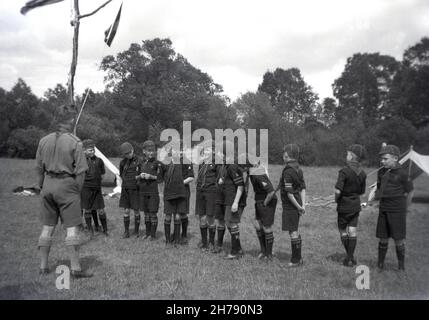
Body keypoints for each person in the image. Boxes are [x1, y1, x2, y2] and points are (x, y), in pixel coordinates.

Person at [35, 104, 92, 278]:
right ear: (72, 119)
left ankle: (43, 267)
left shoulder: (43, 140)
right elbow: (81, 171)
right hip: (67, 185)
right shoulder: (75, 142)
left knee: (47, 227)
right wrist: (76, 190)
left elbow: (38, 168)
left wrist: (41, 186)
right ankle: (75, 269)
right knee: (72, 228)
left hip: (47, 184)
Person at [375, 144, 413, 271]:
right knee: (383, 237)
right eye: (382, 159)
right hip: (384, 208)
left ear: (395, 158)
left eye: (385, 159)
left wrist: (405, 208)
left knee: (398, 238)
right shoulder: (381, 172)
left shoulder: (403, 174)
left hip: (398, 210)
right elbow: (379, 188)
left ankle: (401, 266)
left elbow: (410, 192)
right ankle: (380, 264)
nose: (382, 161)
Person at [334, 144, 367, 267]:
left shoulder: (344, 171)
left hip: (344, 205)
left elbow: (338, 191)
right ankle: (350, 258)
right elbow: (362, 191)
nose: (346, 156)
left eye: (347, 154)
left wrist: (336, 199)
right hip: (355, 206)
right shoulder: (363, 173)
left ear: (352, 156)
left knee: (342, 230)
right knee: (352, 231)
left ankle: (349, 257)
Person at [159, 145, 194, 246]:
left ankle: (181, 237)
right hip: (169, 193)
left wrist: (179, 183)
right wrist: (161, 193)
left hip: (182, 192)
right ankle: (168, 240)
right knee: (169, 215)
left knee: (181, 214)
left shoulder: (185, 161)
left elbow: (191, 176)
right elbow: (160, 180)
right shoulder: (165, 162)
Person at [278, 144, 306, 267]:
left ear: (287, 156)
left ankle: (295, 260)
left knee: (293, 232)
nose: (283, 157)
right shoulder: (298, 169)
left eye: (284, 155)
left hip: (290, 206)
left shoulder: (287, 172)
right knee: (294, 230)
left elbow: (289, 194)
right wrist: (302, 205)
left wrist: (298, 207)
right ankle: (298, 259)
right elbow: (303, 189)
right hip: (298, 203)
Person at [250, 162, 277, 261]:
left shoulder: (258, 173)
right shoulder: (252, 173)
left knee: (266, 226)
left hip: (267, 200)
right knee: (257, 224)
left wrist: (265, 203)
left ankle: (268, 255)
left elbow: (271, 192)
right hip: (259, 200)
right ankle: (263, 250)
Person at [81, 139, 108, 236]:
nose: (92, 151)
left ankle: (105, 230)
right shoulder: (81, 161)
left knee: (101, 209)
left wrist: (97, 182)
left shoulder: (99, 161)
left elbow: (102, 175)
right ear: (84, 150)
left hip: (97, 188)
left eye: (93, 149)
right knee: (87, 209)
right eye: (89, 150)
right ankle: (90, 230)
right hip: (86, 188)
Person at [138, 140, 162, 240]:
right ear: (144, 151)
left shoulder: (157, 163)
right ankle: (147, 234)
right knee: (146, 214)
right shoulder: (142, 162)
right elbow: (137, 175)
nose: (151, 153)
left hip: (153, 191)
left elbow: (160, 178)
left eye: (153, 150)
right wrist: (140, 176)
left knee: (152, 213)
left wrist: (151, 176)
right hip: (143, 191)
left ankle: (153, 235)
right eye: (149, 151)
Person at [195, 142, 218, 251]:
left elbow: (219, 178)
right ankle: (204, 243)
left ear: (213, 151)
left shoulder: (216, 163)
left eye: (209, 149)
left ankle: (212, 243)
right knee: (202, 217)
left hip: (211, 192)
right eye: (205, 150)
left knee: (210, 217)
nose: (206, 152)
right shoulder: (201, 162)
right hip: (200, 191)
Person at [119, 142, 141, 238]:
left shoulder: (140, 161)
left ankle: (136, 231)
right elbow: (121, 174)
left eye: (129, 152)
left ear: (133, 150)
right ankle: (126, 232)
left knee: (136, 210)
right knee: (126, 210)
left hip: (135, 189)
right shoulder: (122, 162)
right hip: (125, 189)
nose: (128, 155)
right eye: (126, 154)